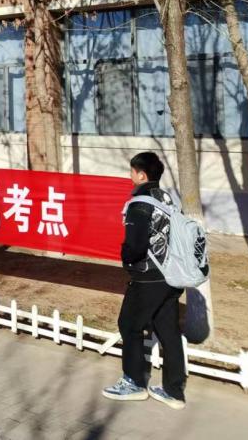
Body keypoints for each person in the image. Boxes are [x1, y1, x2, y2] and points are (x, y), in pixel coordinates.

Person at [102, 152, 187, 409]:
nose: (130, 176)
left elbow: (136, 246)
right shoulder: (168, 199)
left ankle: (134, 382)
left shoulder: (139, 203)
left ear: (141, 174)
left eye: (132, 171)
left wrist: (126, 258)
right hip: (172, 275)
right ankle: (174, 391)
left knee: (129, 324)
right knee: (169, 332)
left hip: (148, 277)